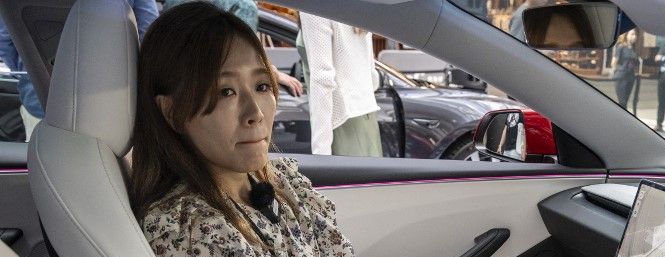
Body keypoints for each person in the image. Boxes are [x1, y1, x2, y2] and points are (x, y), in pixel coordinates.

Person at [129, 3, 576, 257]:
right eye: (225, 92)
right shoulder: (184, 229)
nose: (255, 112)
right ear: (171, 111)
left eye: (261, 86)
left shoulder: (275, 185)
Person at [0, 0, 158, 140]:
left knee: (45, 159)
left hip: (37, 97)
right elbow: (148, 34)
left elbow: (7, 41)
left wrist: (33, 69)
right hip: (113, 100)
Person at [162, 0, 304, 97]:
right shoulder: (242, 6)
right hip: (213, 94)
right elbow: (244, 60)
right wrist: (273, 74)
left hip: (173, 88)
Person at [299, 15, 382, 157]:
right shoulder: (356, 5)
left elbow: (323, 81)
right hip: (365, 117)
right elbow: (372, 73)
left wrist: (321, 155)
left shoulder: (314, 6)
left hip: (340, 122)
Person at [611, 30, 639, 110]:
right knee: (622, 102)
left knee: (625, 101)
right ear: (626, 35)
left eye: (635, 34)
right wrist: (619, 71)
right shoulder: (621, 46)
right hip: (621, 77)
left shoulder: (633, 48)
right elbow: (613, 63)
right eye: (632, 34)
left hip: (630, 77)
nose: (634, 36)